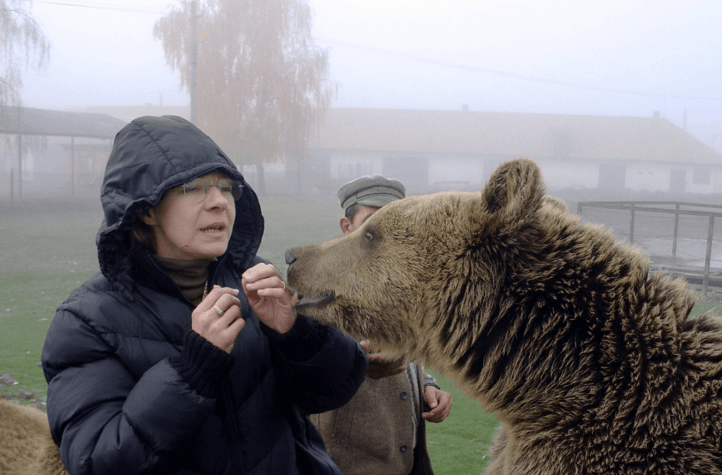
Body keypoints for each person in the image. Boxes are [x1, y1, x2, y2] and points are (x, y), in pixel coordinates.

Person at [40, 115, 367, 475]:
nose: (219, 203)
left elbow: (334, 390)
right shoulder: (85, 322)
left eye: (226, 187)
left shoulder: (256, 283)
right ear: (146, 209)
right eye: (193, 188)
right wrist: (192, 370)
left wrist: (297, 334)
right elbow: (95, 461)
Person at [310, 175, 453, 475]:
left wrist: (428, 385)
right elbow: (303, 371)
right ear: (346, 228)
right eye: (375, 221)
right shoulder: (316, 289)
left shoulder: (404, 285)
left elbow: (407, 349)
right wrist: (356, 364)